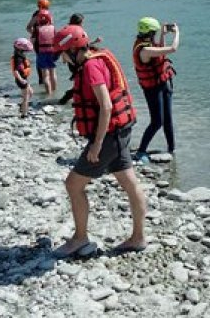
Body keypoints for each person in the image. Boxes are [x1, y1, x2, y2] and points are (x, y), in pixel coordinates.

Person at [51, 24, 146, 258]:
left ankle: (80, 238)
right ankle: (138, 238)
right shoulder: (98, 57)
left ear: (72, 50)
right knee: (129, 182)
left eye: (62, 54)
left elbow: (106, 105)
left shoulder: (91, 67)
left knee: (73, 185)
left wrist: (96, 145)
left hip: (109, 136)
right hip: (122, 130)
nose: (62, 61)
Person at [132, 17, 178, 162]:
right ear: (150, 32)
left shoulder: (148, 44)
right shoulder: (144, 49)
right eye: (155, 32)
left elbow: (160, 53)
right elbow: (172, 49)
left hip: (163, 84)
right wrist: (177, 33)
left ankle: (172, 150)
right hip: (153, 89)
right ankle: (141, 151)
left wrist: (163, 36)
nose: (156, 34)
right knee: (157, 121)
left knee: (168, 119)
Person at [35, 10, 57, 95]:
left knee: (45, 75)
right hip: (52, 51)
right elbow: (56, 38)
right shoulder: (53, 27)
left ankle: (49, 93)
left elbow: (33, 40)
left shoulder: (38, 29)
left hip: (42, 53)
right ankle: (55, 92)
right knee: (53, 73)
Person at [11, 38, 34, 117]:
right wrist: (21, 80)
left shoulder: (19, 55)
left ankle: (22, 106)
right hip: (21, 79)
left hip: (23, 79)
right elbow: (16, 71)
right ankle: (24, 114)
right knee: (26, 97)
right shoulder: (19, 58)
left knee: (31, 92)